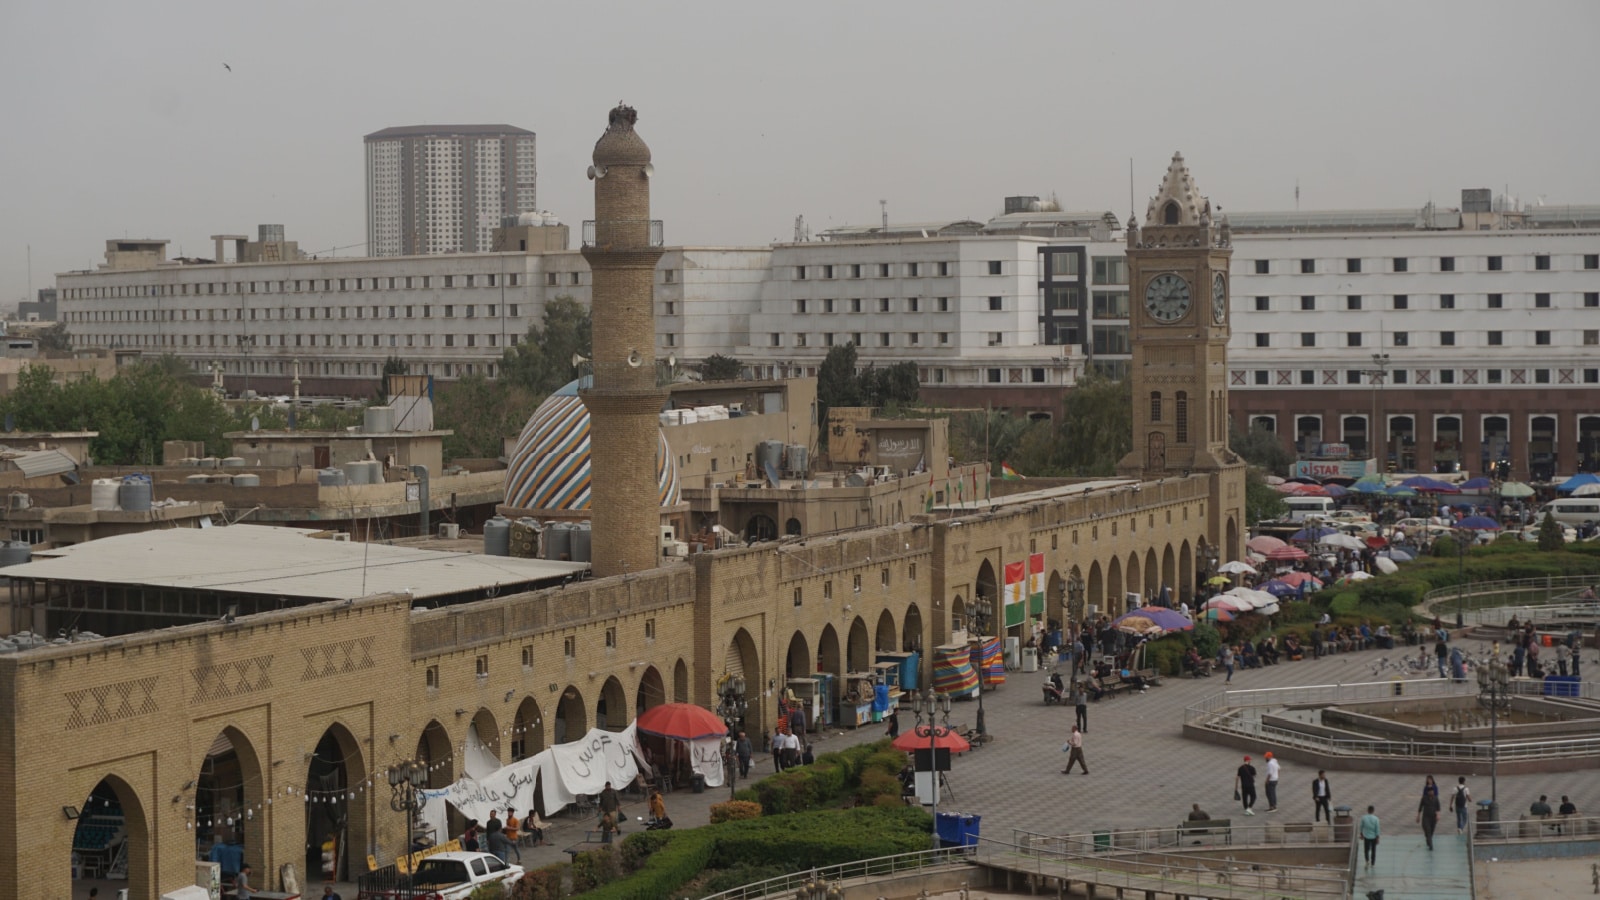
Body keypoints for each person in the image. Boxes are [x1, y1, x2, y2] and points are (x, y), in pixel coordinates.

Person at [1417, 778, 1442, 850]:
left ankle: (1428, 840)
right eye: (1430, 791)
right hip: (1426, 817)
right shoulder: (1424, 798)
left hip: (1433, 817)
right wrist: (1418, 816)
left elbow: (1438, 808)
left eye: (1432, 791)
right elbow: (1420, 807)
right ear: (1428, 792)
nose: (1431, 792)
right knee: (1427, 830)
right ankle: (1431, 845)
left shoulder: (1436, 799)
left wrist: (1438, 815)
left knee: (1431, 831)